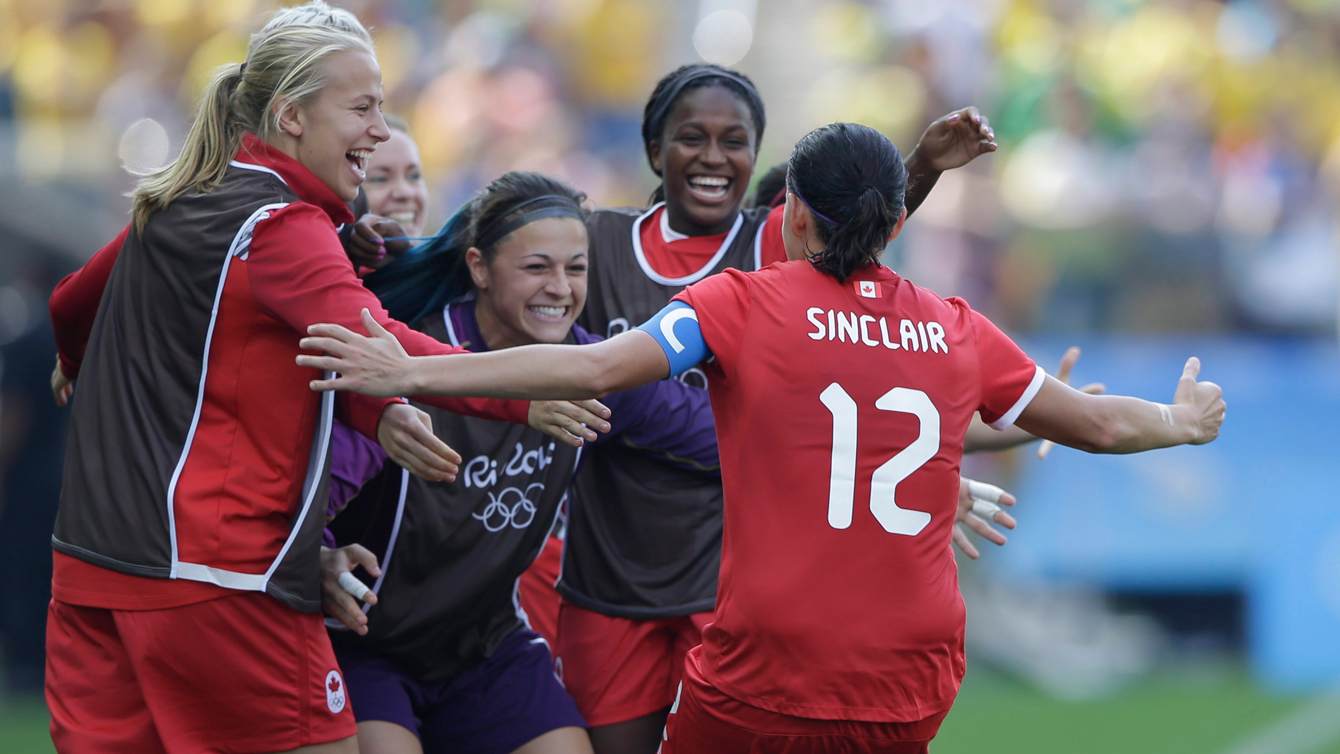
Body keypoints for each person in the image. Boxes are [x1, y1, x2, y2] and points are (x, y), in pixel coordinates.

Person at [295, 121, 1225, 754]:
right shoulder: (955, 326)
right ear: (896, 223)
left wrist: (406, 372)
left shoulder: (740, 305)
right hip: (915, 670)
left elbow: (589, 368)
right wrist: (1179, 425)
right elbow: (1099, 422)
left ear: (797, 217)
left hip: (767, 670)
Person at [42, 4, 606, 752]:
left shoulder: (180, 198)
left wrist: (76, 364)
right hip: (218, 579)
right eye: (363, 106)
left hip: (90, 573)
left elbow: (71, 301)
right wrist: (521, 393)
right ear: (291, 116)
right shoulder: (282, 226)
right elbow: (377, 344)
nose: (380, 127)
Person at [555, 63, 999, 754]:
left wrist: (922, 164)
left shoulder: (765, 251)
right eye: (691, 136)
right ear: (653, 149)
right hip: (612, 573)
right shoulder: (595, 241)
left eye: (734, 140)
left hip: (727, 586)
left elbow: (853, 224)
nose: (713, 155)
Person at [319, 171, 719, 754]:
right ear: (479, 268)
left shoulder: (592, 370)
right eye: (537, 267)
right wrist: (320, 556)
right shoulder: (411, 361)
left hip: (487, 648)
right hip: (368, 645)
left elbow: (716, 433)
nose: (559, 287)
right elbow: (313, 486)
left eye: (576, 268)